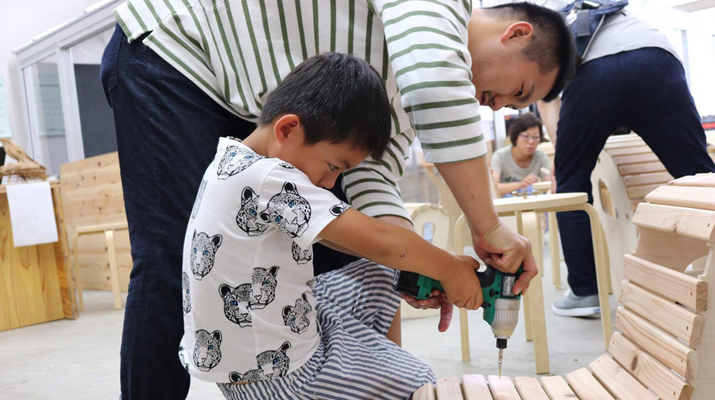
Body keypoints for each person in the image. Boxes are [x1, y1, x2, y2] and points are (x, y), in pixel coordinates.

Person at [101, 1, 573, 398]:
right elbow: (433, 85)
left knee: (373, 267)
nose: (497, 107)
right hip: (174, 53)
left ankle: (360, 367)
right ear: (516, 34)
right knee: (166, 258)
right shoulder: (437, 27)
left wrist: (415, 265)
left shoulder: (263, 155)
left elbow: (371, 177)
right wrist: (476, 236)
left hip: (258, 121)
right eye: (519, 91)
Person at [183, 52, 488, 399]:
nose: (330, 183)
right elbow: (383, 241)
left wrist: (425, 269)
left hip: (260, 344)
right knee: (421, 383)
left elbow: (356, 242)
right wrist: (449, 268)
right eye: (332, 166)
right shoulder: (270, 179)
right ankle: (376, 379)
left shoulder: (233, 158)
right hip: (280, 377)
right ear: (287, 129)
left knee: (381, 271)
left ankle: (369, 368)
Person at [535, 2, 715, 317]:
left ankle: (585, 291)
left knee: (570, 186)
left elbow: (547, 100)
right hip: (657, 57)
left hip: (592, 71)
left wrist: (565, 157)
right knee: (699, 174)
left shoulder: (541, 14)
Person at [491, 113, 550, 197]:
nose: (531, 142)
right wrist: (521, 184)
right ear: (515, 137)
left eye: (536, 137)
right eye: (526, 136)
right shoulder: (500, 156)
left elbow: (549, 185)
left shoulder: (541, 156)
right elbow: (493, 188)